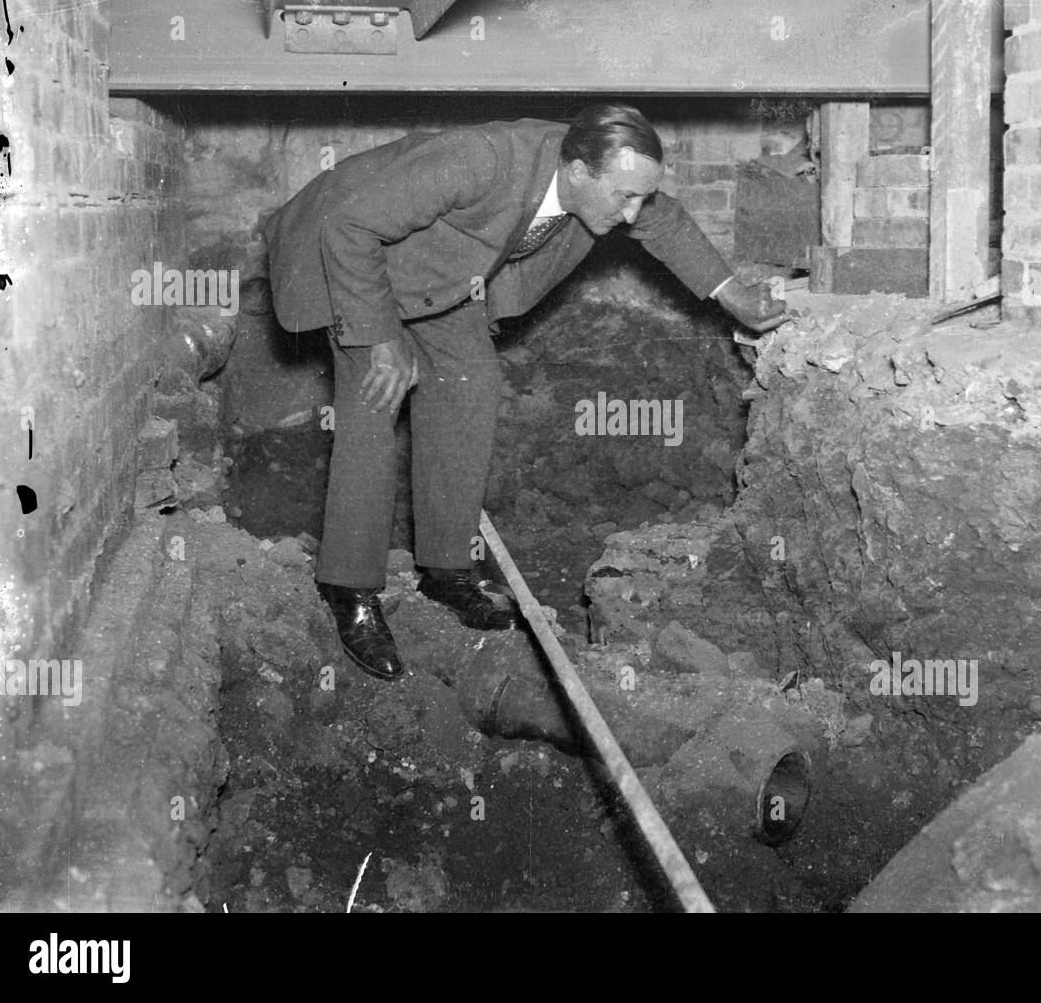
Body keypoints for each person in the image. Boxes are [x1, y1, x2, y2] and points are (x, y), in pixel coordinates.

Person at [264, 103, 790, 681]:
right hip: (351, 258)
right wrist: (383, 337)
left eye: (641, 196)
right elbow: (350, 224)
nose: (633, 211)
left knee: (471, 388)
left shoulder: (606, 183)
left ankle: (446, 571)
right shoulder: (482, 160)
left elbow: (665, 224)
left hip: (439, 279)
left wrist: (731, 291)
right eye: (624, 197)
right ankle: (351, 590)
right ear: (577, 170)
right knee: (374, 400)